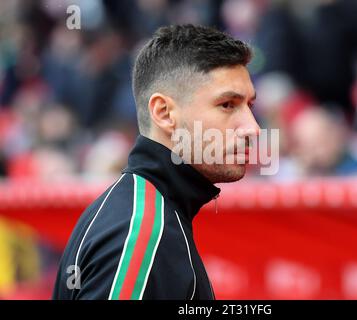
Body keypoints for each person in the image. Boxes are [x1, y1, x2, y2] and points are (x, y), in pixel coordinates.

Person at [52, 24, 260, 300]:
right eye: (227, 105)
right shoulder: (141, 231)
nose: (253, 128)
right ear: (163, 113)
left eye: (250, 106)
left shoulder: (141, 212)